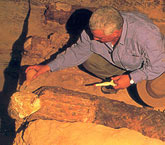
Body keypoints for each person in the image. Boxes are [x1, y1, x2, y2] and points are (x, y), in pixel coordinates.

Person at [26, 7, 165, 107]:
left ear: (116, 33)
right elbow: (76, 52)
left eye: (99, 37)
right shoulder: (93, 32)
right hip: (124, 62)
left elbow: (158, 65)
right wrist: (47, 67)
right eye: (93, 34)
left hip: (153, 62)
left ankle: (127, 81)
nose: (93, 38)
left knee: (156, 84)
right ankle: (120, 80)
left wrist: (131, 78)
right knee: (88, 60)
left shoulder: (146, 35)